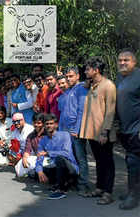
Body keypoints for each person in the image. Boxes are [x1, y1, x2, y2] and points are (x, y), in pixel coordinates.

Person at [80, 56, 116, 205]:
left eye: (88, 69)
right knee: (99, 162)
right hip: (92, 132)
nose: (85, 72)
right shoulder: (93, 85)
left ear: (96, 70)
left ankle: (108, 193)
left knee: (107, 162)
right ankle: (100, 188)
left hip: (103, 133)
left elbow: (110, 111)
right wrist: (88, 83)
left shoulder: (108, 86)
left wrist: (105, 132)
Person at [58, 67, 89, 195]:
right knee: (69, 156)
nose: (68, 79)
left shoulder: (81, 89)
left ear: (77, 76)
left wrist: (77, 129)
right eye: (67, 76)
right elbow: (63, 113)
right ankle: (73, 181)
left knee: (80, 157)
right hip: (65, 131)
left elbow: (82, 111)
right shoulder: (66, 92)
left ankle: (83, 185)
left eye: (71, 76)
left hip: (75, 130)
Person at [115, 49, 140, 210]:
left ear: (134, 62)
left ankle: (133, 196)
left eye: (126, 60)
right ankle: (134, 191)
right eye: (120, 60)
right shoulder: (119, 78)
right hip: (125, 130)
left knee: (133, 162)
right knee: (131, 161)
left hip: (137, 129)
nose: (122, 63)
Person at [36, 114, 79, 200]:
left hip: (70, 168)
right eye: (47, 124)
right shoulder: (43, 140)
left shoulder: (65, 135)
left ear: (56, 125)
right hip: (55, 167)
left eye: (51, 123)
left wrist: (48, 153)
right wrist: (39, 171)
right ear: (44, 126)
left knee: (59, 158)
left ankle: (60, 190)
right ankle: (59, 183)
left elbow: (67, 153)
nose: (49, 126)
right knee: (35, 171)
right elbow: (39, 157)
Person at [15, 113, 46, 178]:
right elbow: (27, 150)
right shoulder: (31, 136)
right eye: (35, 123)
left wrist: (45, 153)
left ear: (43, 124)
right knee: (19, 169)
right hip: (38, 158)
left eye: (39, 123)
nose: (36, 125)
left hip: (49, 158)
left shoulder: (48, 134)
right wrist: (24, 158)